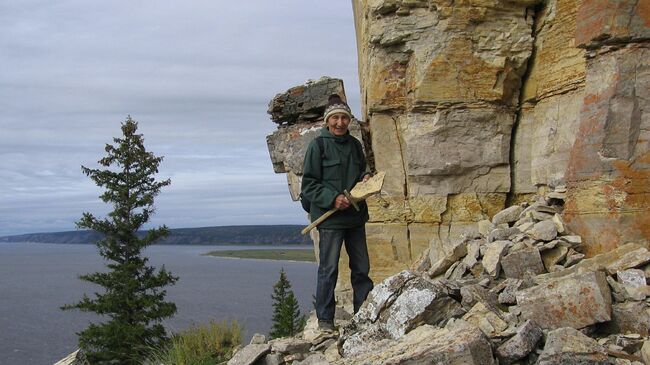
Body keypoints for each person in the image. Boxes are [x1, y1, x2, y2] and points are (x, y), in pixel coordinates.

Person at [301, 94, 373, 332]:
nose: (340, 123)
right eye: (335, 118)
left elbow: (362, 170)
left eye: (344, 118)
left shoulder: (354, 145)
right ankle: (325, 321)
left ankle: (363, 315)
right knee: (329, 270)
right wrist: (333, 198)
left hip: (355, 216)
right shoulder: (318, 146)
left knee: (361, 268)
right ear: (327, 121)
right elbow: (309, 185)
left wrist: (365, 178)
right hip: (330, 220)